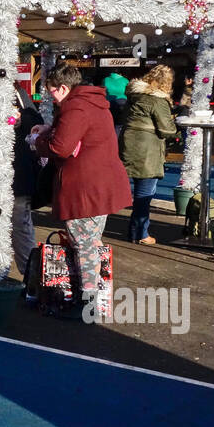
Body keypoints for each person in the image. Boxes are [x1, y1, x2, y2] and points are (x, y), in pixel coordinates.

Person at [39, 65, 132, 316]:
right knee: (90, 242)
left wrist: (39, 140)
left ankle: (87, 303)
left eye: (52, 93)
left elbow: (60, 147)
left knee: (84, 244)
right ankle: (94, 298)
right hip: (100, 184)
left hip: (85, 187)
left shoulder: (76, 107)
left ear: (63, 88)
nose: (52, 98)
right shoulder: (94, 103)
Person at [120, 64, 177, 245]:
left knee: (131, 190)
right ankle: (141, 233)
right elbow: (166, 130)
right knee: (144, 193)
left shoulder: (134, 95)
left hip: (129, 144)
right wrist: (177, 125)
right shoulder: (158, 100)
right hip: (148, 150)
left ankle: (134, 231)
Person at [11, 100, 45, 277]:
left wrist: (22, 119)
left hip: (19, 177)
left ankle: (31, 278)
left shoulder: (19, 96)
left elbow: (36, 121)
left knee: (22, 227)